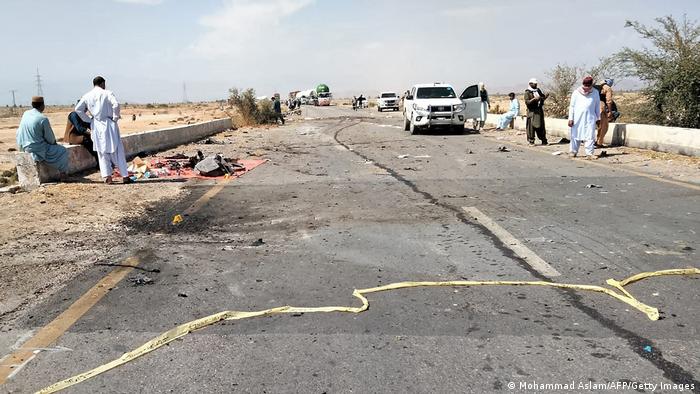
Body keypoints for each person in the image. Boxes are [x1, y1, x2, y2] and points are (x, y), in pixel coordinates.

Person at [75, 76, 131, 184]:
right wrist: (115, 118)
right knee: (117, 150)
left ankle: (108, 177)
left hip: (96, 125)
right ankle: (125, 176)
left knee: (102, 151)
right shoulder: (108, 93)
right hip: (109, 124)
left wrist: (89, 120)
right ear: (102, 83)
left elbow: (78, 109)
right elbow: (115, 104)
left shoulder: (87, 96)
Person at [16, 96, 69, 174]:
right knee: (62, 150)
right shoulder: (42, 118)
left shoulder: (26, 113)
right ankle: (64, 174)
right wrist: (54, 144)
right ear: (42, 105)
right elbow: (50, 138)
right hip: (37, 148)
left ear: (32, 104)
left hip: (24, 146)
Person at [568, 76, 601, 159]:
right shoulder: (576, 92)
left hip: (590, 118)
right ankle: (573, 151)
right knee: (575, 134)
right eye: (585, 86)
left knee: (590, 135)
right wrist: (570, 118)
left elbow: (597, 106)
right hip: (577, 118)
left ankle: (589, 153)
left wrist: (598, 118)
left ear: (591, 85)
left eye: (588, 87)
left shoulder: (595, 92)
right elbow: (572, 106)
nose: (586, 89)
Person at [524, 78, 549, 145]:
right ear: (530, 84)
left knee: (541, 127)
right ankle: (531, 141)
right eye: (534, 84)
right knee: (531, 127)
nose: (535, 85)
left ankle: (544, 140)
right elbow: (527, 102)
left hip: (539, 111)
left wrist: (544, 97)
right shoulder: (527, 92)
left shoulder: (538, 90)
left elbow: (542, 98)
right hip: (532, 112)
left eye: (536, 84)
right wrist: (534, 99)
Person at [595, 78, 614, 147]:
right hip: (600, 106)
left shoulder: (595, 88)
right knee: (603, 125)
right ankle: (599, 142)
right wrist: (610, 111)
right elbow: (608, 101)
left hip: (590, 107)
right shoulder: (608, 88)